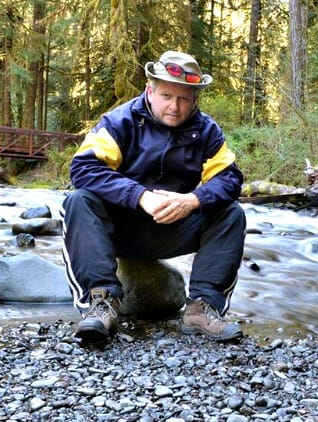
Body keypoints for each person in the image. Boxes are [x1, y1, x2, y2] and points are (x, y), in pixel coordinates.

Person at [61, 50, 246, 343]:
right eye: (166, 96)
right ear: (150, 90)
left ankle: (202, 307)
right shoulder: (119, 122)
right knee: (79, 201)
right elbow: (83, 168)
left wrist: (193, 200)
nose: (174, 106)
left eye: (184, 98)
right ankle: (101, 304)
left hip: (173, 228)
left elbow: (230, 178)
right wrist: (139, 195)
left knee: (231, 212)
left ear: (195, 99)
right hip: (117, 230)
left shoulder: (207, 131)